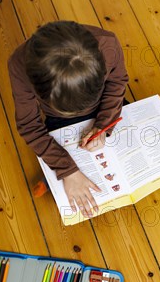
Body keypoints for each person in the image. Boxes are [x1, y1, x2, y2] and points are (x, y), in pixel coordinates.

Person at [8, 21, 129, 218]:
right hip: (58, 120)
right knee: (61, 155)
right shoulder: (19, 65)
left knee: (133, 134)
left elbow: (117, 83)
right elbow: (29, 125)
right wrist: (68, 171)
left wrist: (103, 124)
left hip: (106, 106)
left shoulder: (108, 44)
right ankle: (53, 179)